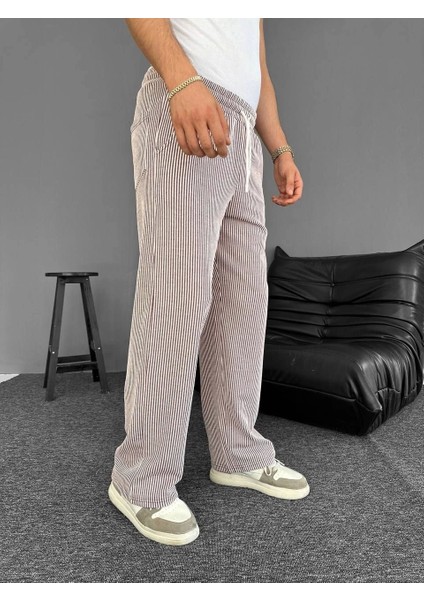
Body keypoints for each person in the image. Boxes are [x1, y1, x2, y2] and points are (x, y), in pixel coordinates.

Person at [109, 18, 309, 546]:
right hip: (190, 100)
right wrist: (182, 82)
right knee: (177, 296)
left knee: (244, 302)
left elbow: (257, 66)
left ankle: (238, 452)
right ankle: (140, 479)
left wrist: (279, 149)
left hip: (242, 130)